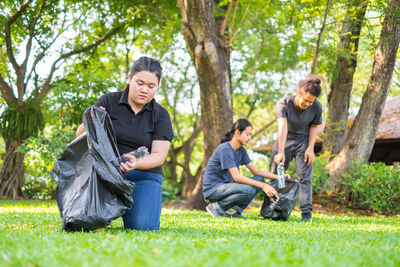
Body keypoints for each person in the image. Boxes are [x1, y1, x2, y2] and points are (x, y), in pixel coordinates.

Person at [76, 56, 173, 231]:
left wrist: (137, 163)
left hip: (143, 175)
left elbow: (159, 156)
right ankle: (107, 209)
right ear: (129, 78)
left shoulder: (161, 115)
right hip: (105, 174)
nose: (145, 90)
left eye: (151, 86)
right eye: (140, 83)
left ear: (158, 86)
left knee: (142, 226)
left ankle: (133, 208)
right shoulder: (108, 101)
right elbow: (80, 135)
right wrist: (93, 118)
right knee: (84, 222)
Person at [202, 119, 287, 219]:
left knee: (259, 179)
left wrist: (280, 177)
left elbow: (256, 171)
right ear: (237, 132)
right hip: (213, 189)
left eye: (250, 135)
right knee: (249, 189)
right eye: (247, 134)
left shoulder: (241, 150)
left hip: (225, 187)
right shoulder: (225, 149)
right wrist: (264, 186)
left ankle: (234, 212)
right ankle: (216, 208)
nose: (249, 138)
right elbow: (236, 177)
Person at [270, 75, 322, 222]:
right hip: (285, 139)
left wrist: (310, 148)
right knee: (275, 174)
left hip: (303, 142)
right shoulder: (284, 103)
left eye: (310, 102)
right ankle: (273, 209)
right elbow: (282, 127)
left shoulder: (316, 106)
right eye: (305, 100)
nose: (307, 104)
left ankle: (306, 215)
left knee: (305, 178)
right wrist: (280, 151)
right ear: (298, 93)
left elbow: (314, 126)